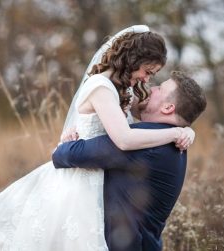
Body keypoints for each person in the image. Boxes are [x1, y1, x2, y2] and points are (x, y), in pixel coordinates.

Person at [0, 25, 194, 251]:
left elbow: (154, 116)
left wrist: (188, 129)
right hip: (78, 178)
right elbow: (125, 139)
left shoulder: (124, 89)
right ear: (133, 59)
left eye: (152, 75)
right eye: (148, 71)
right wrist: (174, 133)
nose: (148, 79)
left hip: (93, 179)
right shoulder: (102, 87)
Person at [52, 71, 207, 251]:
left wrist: (67, 142)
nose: (152, 88)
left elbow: (64, 155)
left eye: (159, 88)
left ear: (168, 108)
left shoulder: (146, 143)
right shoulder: (169, 141)